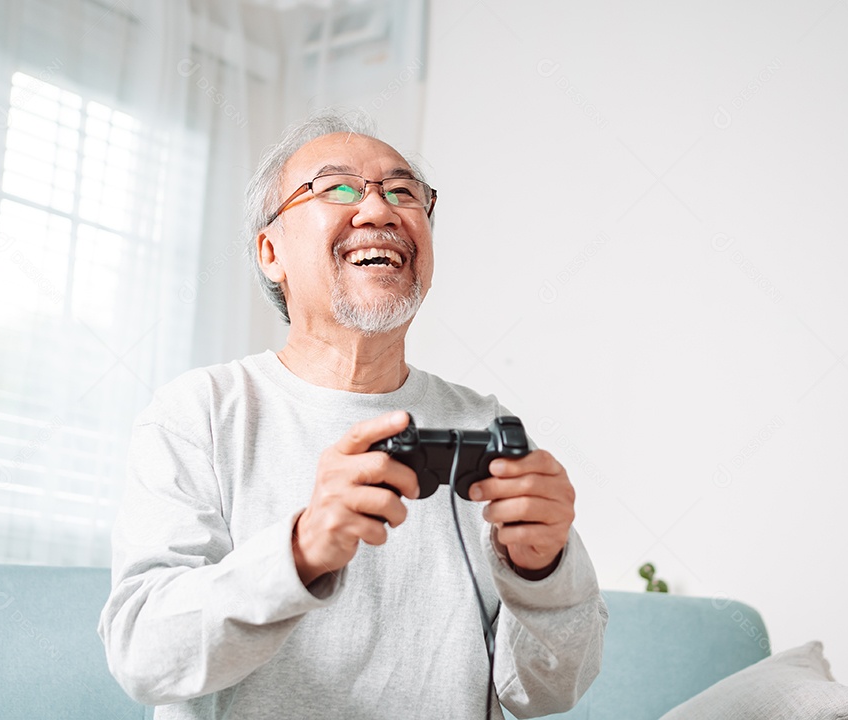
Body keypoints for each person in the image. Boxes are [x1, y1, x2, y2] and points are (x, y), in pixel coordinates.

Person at [98, 112, 608, 719]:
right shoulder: (199, 413)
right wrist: (301, 550)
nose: (379, 210)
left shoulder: (485, 424)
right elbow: (145, 656)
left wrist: (544, 569)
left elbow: (544, 694)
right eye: (336, 187)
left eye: (403, 192)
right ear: (270, 252)